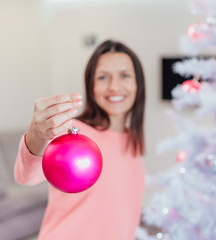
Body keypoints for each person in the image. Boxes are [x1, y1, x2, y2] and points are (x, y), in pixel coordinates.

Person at [14, 40, 146, 240]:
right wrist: (37, 135)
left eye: (125, 75)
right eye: (103, 77)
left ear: (138, 84)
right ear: (91, 85)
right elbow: (26, 177)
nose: (114, 86)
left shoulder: (132, 139)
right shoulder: (72, 134)